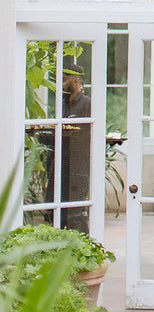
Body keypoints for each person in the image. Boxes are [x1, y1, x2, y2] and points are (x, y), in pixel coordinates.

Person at [61, 62, 91, 234]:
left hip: (79, 164)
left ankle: (84, 248)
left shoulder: (87, 104)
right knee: (59, 211)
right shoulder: (62, 104)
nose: (61, 84)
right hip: (61, 163)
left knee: (76, 211)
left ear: (76, 80)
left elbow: (90, 134)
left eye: (64, 80)